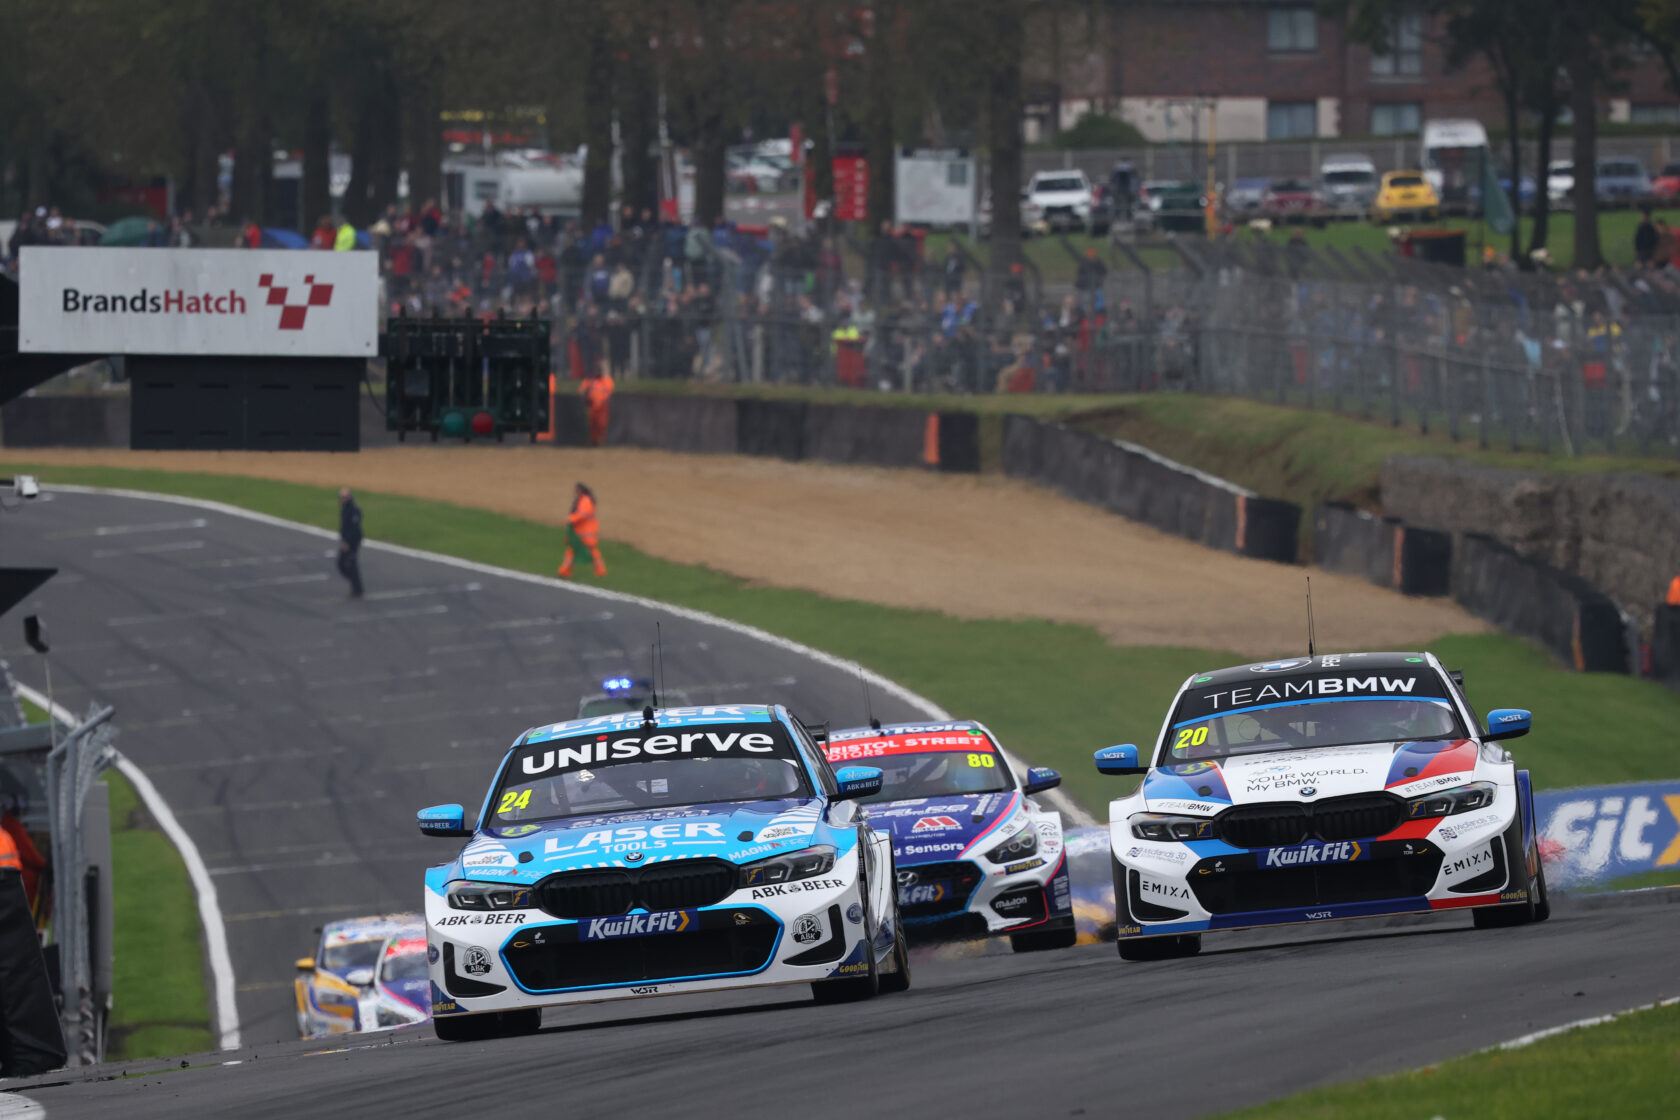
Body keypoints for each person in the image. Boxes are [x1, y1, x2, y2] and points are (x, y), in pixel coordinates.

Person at [0, 800, 45, 914]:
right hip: (13, 887)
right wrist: (44, 864)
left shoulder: (7, 830)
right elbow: (28, 853)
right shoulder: (10, 828)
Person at [559, 483, 608, 579]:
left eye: (576, 491)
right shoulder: (582, 500)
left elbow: (582, 514)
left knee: (590, 552)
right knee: (574, 551)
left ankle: (601, 571)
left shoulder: (585, 501)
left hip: (586, 534)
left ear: (580, 491)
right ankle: (564, 571)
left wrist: (571, 519)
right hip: (582, 533)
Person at [337, 488, 364, 598]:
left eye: (343, 497)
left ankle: (357, 588)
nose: (341, 499)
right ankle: (356, 586)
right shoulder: (345, 509)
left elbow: (353, 528)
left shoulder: (353, 510)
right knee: (345, 564)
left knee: (349, 563)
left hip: (352, 542)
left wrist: (347, 542)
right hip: (348, 541)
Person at [581, 367, 615, 446]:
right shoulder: (590, 381)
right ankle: (594, 442)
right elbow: (583, 391)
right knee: (593, 425)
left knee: (602, 424)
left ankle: (602, 441)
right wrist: (586, 399)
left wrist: (607, 401)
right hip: (592, 406)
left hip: (603, 406)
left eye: (599, 371)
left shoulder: (606, 381)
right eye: (597, 370)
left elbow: (610, 393)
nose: (598, 372)